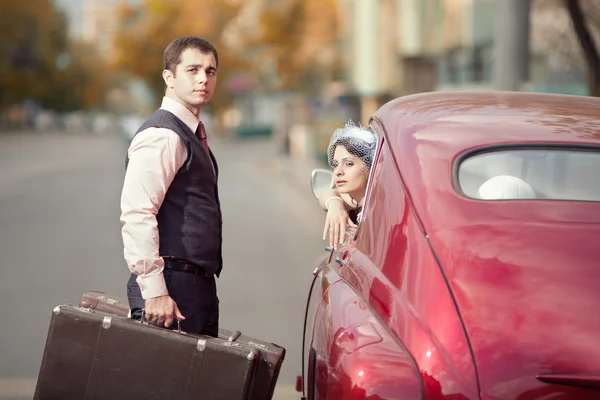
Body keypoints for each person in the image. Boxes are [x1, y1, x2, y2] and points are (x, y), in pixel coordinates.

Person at [120, 36, 222, 336]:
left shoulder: (188, 131)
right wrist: (155, 291)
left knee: (198, 383)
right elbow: (137, 213)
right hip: (172, 288)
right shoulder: (163, 135)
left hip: (195, 286)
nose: (203, 78)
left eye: (210, 71)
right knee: (173, 384)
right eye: (192, 70)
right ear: (169, 77)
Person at [318, 121, 377, 249]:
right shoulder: (355, 199)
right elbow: (326, 195)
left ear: (371, 167)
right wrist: (334, 204)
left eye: (349, 163)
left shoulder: (382, 203)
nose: (338, 172)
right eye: (335, 164)